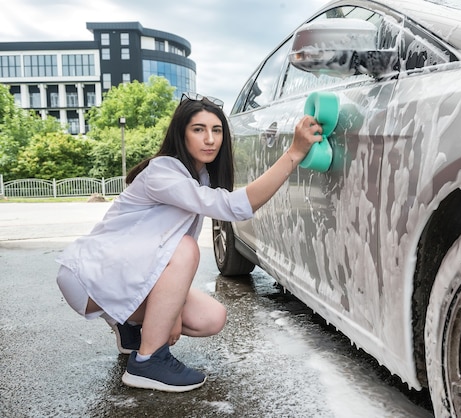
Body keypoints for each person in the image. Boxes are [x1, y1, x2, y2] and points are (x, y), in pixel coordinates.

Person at [56, 92, 322, 392]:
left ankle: (131, 329)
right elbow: (234, 207)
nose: (210, 139)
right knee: (185, 247)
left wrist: (168, 315)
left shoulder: (200, 177)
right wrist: (294, 153)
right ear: (181, 134)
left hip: (120, 275)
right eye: (199, 129)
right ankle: (148, 361)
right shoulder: (163, 171)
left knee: (211, 318)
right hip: (89, 277)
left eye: (217, 130)